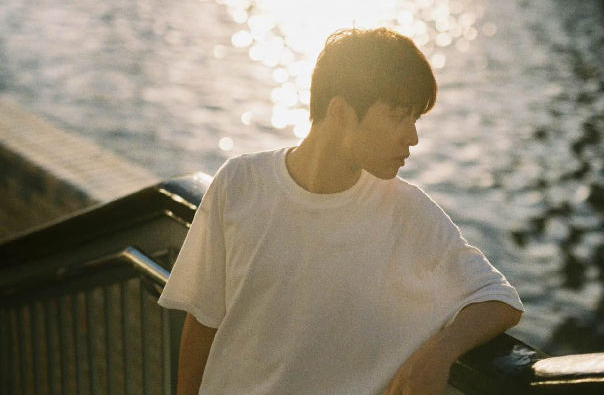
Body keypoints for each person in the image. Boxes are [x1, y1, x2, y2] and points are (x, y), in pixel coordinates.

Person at [158, 27, 524, 395]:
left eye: (415, 119)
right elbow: (203, 323)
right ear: (341, 112)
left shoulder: (409, 214)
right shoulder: (239, 182)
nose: (413, 137)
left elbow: (499, 299)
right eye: (399, 116)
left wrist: (439, 353)